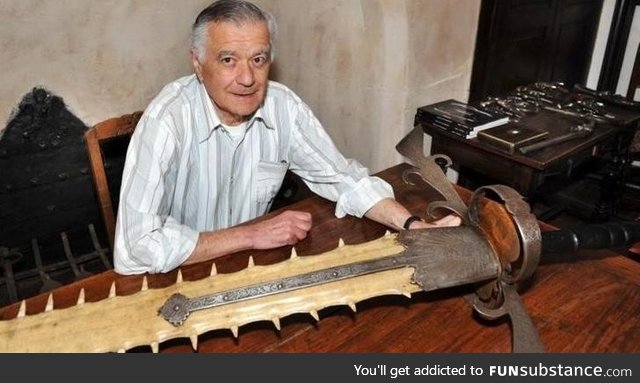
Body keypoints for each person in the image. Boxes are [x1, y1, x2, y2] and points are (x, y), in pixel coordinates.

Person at [113, 0, 460, 275]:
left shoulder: (283, 108)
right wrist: (250, 235)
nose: (247, 78)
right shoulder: (167, 120)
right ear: (198, 63)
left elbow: (344, 180)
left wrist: (413, 225)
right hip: (178, 274)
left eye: (258, 59)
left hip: (254, 268)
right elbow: (136, 249)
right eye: (228, 60)